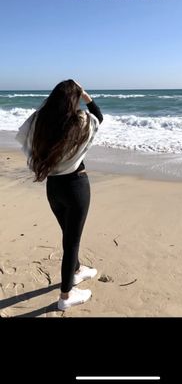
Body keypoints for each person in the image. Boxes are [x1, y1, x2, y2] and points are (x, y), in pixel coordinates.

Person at [16, 79, 103, 310]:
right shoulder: (81, 121)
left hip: (53, 188)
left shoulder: (42, 122)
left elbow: (32, 124)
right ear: (75, 99)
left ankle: (76, 270)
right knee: (71, 241)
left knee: (68, 234)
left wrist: (61, 97)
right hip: (76, 186)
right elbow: (99, 117)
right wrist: (86, 96)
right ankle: (66, 296)